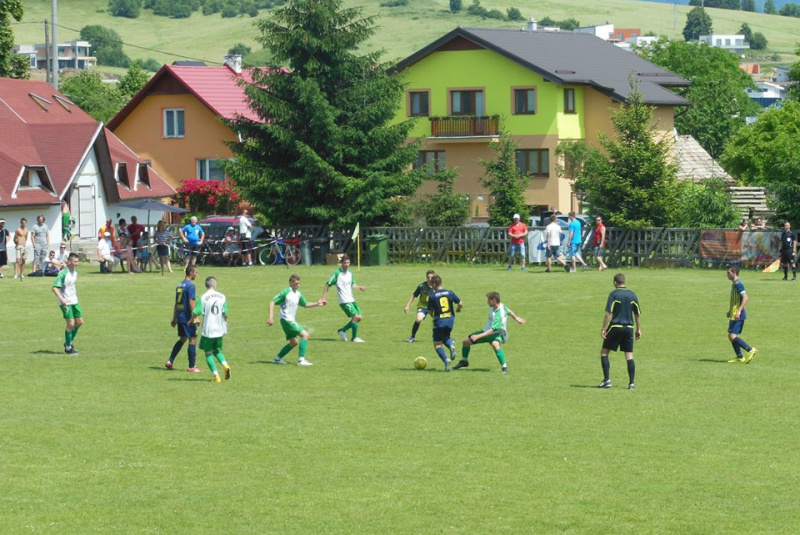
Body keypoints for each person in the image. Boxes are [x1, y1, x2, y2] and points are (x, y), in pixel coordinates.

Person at [453, 291, 525, 374]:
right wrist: (516, 318)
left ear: (494, 300)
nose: (487, 302)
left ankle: (504, 368)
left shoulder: (499, 315)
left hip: (497, 333)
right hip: (486, 331)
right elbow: (508, 310)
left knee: (495, 344)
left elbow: (492, 331)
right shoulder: (500, 305)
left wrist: (478, 336)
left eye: (488, 300)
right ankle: (464, 361)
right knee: (466, 342)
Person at [269, 274, 326, 366]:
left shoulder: (298, 294)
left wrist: (317, 303)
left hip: (289, 321)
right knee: (305, 335)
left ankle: (277, 359)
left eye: (298, 283)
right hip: (287, 320)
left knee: (294, 342)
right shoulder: (285, 292)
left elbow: (305, 304)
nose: (298, 285)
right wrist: (271, 317)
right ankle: (301, 360)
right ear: (291, 283)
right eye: (296, 283)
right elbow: (272, 302)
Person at [598, 273, 641, 390]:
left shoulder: (614, 294)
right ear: (624, 281)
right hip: (629, 328)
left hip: (615, 326)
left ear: (615, 282)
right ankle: (631, 383)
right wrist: (638, 329)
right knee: (629, 355)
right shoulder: (632, 295)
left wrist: (603, 328)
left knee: (604, 353)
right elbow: (637, 313)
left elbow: (608, 313)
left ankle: (607, 380)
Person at [191, 276, 231, 384]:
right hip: (220, 329)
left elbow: (196, 311)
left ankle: (216, 376)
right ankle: (225, 365)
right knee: (217, 350)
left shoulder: (203, 297)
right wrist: (225, 323)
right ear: (214, 285)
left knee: (208, 353)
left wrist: (191, 320)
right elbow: (225, 313)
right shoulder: (222, 297)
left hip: (208, 330)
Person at [321, 254, 366, 343]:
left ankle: (342, 330)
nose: (346, 264)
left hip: (351, 299)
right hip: (344, 301)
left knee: (359, 317)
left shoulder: (350, 273)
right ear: (341, 263)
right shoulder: (337, 273)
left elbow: (353, 284)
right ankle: (354, 338)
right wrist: (324, 297)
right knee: (356, 317)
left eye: (348, 262)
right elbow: (328, 284)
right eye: (344, 263)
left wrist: (359, 287)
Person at [166, 265, 203, 373]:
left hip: (180, 317)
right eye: (196, 272)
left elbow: (176, 303)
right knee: (192, 339)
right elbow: (191, 302)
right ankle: (192, 366)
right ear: (190, 272)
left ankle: (170, 361)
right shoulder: (190, 286)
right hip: (188, 318)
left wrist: (174, 318)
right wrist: (194, 317)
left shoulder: (179, 286)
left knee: (182, 339)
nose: (196, 274)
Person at [426, 274, 462, 371]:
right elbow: (460, 303)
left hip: (439, 321)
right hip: (450, 320)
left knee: (437, 344)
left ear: (434, 284)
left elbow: (430, 311)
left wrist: (430, 313)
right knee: (445, 337)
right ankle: (451, 346)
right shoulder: (449, 292)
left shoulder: (432, 296)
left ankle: (446, 360)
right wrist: (458, 309)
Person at [51, 252, 83, 355]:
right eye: (74, 261)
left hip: (74, 300)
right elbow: (54, 288)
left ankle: (68, 342)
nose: (76, 263)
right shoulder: (63, 273)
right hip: (65, 302)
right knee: (71, 323)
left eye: (77, 261)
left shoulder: (75, 273)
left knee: (79, 322)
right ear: (69, 261)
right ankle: (68, 348)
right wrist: (62, 299)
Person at [726, 265, 758, 364]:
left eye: (729, 273)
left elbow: (745, 298)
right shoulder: (734, 283)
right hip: (734, 313)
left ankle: (750, 349)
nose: (727, 274)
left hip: (738, 314)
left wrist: (739, 311)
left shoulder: (738, 284)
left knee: (732, 336)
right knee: (731, 336)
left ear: (734, 273)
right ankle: (740, 357)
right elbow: (736, 300)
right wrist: (730, 311)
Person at [403, 269, 436, 343]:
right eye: (428, 277)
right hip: (423, 306)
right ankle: (412, 337)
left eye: (431, 277)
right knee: (418, 319)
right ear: (426, 277)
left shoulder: (436, 286)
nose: (430, 279)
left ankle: (447, 338)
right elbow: (414, 295)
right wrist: (407, 305)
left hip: (434, 307)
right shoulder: (422, 286)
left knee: (441, 321)